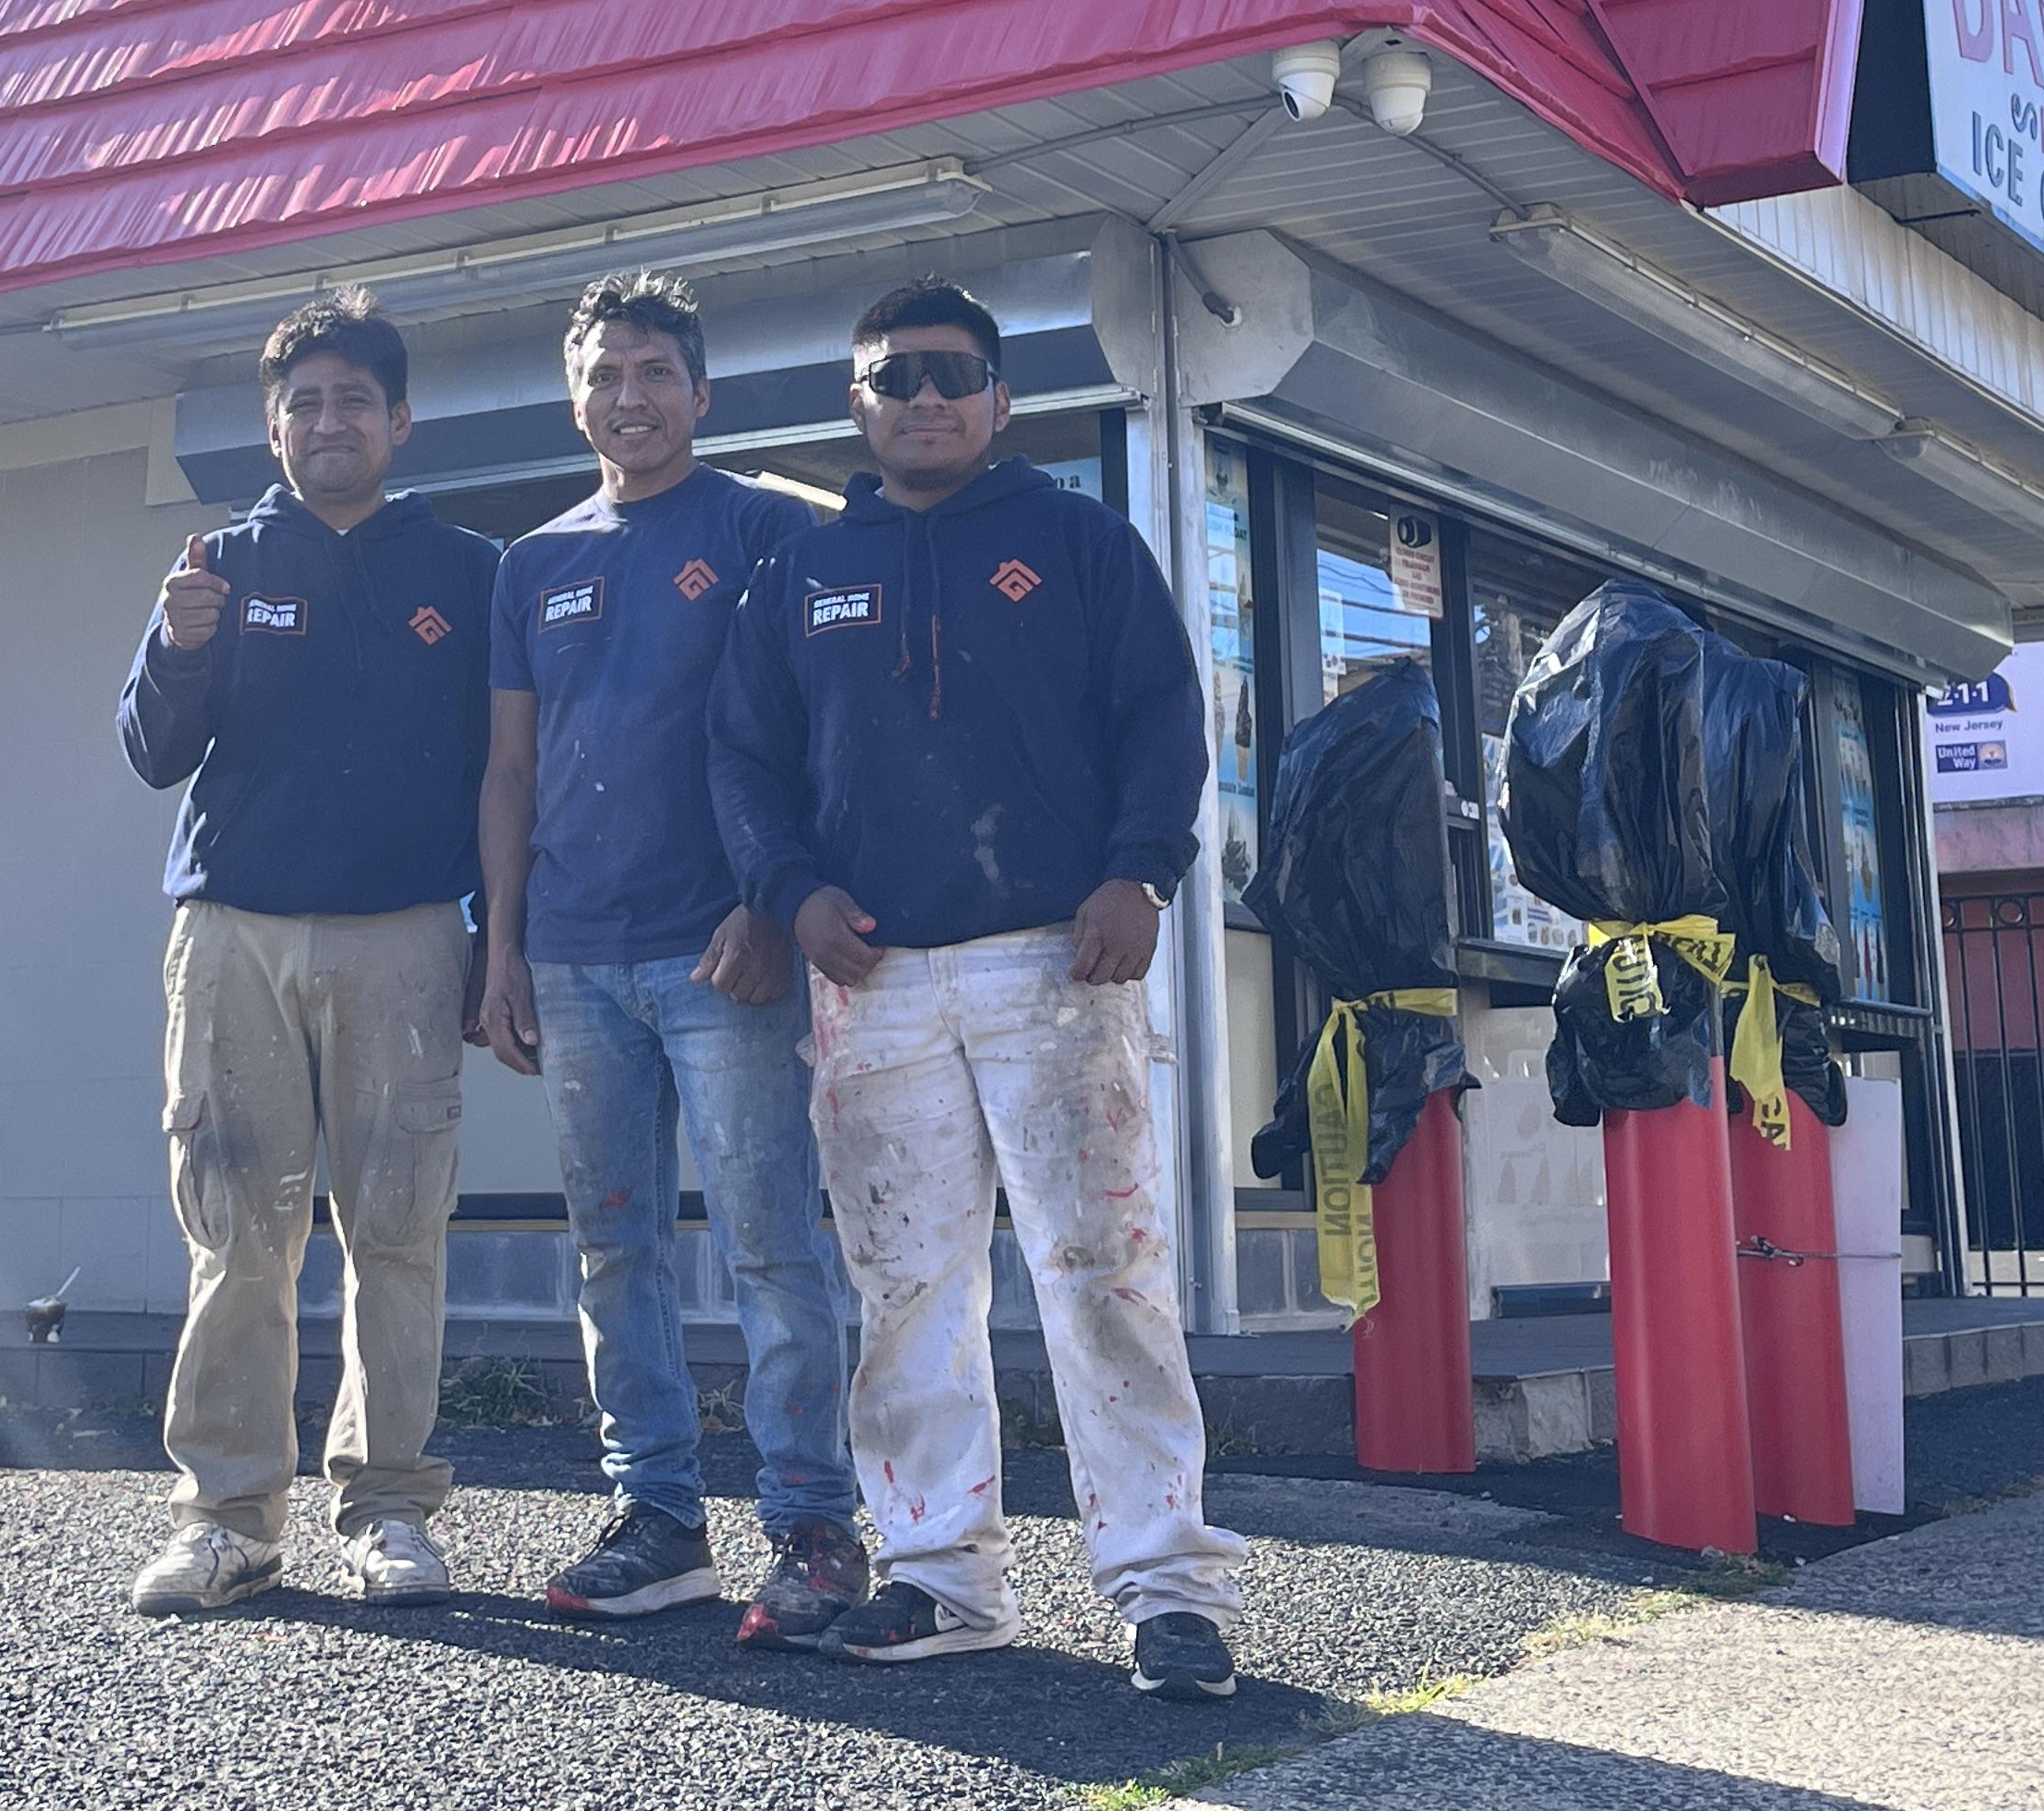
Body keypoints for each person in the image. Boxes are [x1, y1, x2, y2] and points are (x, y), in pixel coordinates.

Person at [708, 277, 1246, 1700]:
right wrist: (790, 890)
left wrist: (1141, 871)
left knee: (1106, 1275)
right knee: (904, 1289)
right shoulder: (803, 570)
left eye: (953, 374)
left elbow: (1161, 717)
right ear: (859, 405)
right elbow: (742, 759)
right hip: (870, 976)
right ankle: (939, 1575)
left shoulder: (1076, 541)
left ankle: (1167, 1589)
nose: (926, 396)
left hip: (1052, 963)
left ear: (1000, 402)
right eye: (897, 376)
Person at [474, 272, 867, 1648]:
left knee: (770, 1246)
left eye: (655, 373)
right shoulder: (531, 563)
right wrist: (501, 943)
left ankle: (815, 1522)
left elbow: (815, 730)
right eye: (605, 376)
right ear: (574, 397)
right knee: (612, 1250)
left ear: (701, 393)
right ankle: (657, 1516)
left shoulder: (765, 529)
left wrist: (776, 900)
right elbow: (510, 770)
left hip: (724, 955)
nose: (629, 398)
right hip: (575, 958)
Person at [117, 293, 497, 1616]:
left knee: (398, 1230)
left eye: (355, 400)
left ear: (399, 421)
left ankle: (388, 1508)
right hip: (234, 934)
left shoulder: (468, 574)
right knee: (237, 1232)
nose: (329, 422)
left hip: (406, 936)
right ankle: (227, 1516)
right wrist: (180, 645)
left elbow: (506, 778)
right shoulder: (218, 564)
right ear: (272, 426)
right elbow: (153, 752)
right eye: (305, 402)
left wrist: (496, 941)